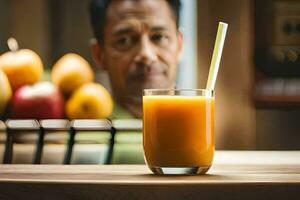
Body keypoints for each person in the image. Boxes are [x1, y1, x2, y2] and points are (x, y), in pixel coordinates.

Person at [89, 0, 182, 119]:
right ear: (99, 54)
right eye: (124, 40)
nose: (146, 55)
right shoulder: (77, 134)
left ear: (180, 45)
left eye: (159, 37)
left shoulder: (201, 128)